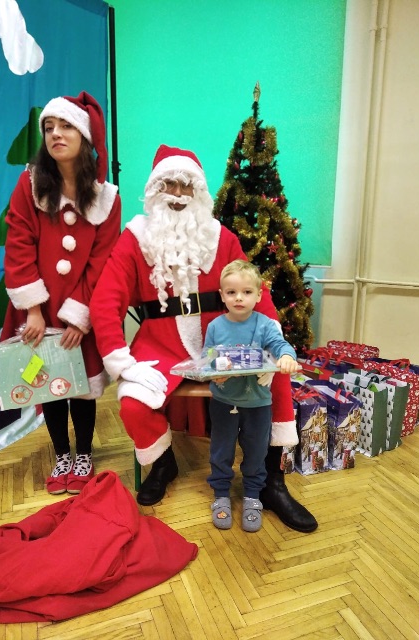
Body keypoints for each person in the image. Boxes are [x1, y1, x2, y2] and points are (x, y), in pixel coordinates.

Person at [90, 144, 317, 533]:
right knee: (132, 404)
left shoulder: (220, 237)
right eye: (169, 185)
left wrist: (274, 343)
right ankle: (163, 463)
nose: (178, 195)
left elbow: (254, 289)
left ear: (199, 192)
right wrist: (121, 361)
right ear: (154, 190)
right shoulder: (135, 239)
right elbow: (105, 302)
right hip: (159, 344)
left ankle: (272, 482)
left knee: (277, 379)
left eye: (187, 186)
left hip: (226, 343)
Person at [0, 91, 121, 495]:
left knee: (82, 385)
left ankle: (83, 453)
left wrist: (80, 317)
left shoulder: (106, 198)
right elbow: (18, 242)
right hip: (39, 307)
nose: (55, 133)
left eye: (66, 125)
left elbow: (102, 261)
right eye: (49, 127)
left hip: (81, 307)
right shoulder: (30, 184)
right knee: (47, 381)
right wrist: (33, 309)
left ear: (84, 136)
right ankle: (62, 454)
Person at [204, 260, 300, 532]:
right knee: (221, 450)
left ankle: (253, 496)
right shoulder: (215, 327)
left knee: (257, 452)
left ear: (258, 295)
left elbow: (281, 345)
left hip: (258, 405)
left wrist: (286, 356)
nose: (239, 298)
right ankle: (221, 494)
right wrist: (214, 371)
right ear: (222, 295)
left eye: (246, 292)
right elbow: (207, 358)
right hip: (223, 402)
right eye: (231, 292)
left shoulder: (265, 325)